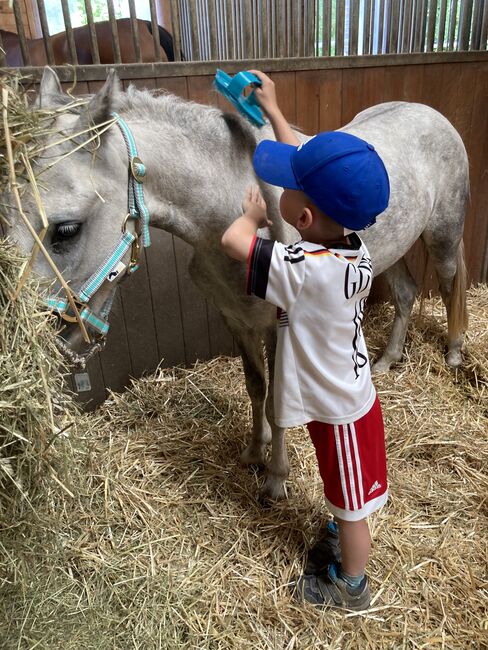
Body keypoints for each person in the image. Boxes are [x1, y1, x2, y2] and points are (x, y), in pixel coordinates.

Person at [220, 71, 390, 611]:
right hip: (343, 395)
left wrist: (250, 216)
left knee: (349, 507)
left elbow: (234, 242)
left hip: (338, 408)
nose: (279, 195)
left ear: (304, 216)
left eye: (286, 191)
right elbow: (308, 180)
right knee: (347, 496)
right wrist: (275, 111)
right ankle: (347, 541)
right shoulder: (349, 249)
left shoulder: (303, 271)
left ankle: (351, 585)